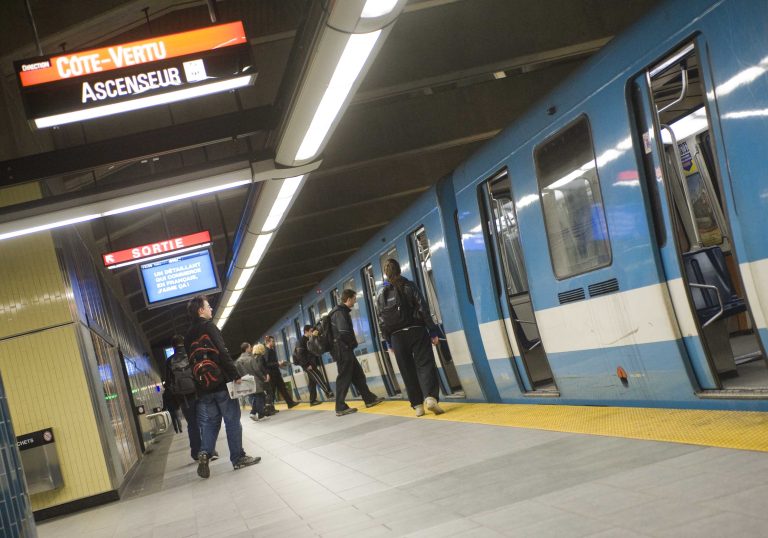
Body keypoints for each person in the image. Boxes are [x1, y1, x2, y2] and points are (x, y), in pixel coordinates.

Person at [185, 295, 260, 478]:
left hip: (204, 387)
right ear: (200, 310)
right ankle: (238, 458)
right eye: (208, 306)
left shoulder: (187, 336)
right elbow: (222, 352)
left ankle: (204, 453)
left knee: (211, 423)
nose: (211, 309)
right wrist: (235, 375)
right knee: (232, 420)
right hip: (221, 383)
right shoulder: (209, 327)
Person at [376, 259, 444, 416]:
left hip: (396, 337)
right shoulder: (409, 285)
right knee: (425, 364)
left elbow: (381, 320)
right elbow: (423, 308)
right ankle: (430, 398)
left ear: (386, 274)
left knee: (407, 370)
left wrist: (388, 341)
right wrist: (433, 331)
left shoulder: (381, 294)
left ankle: (417, 406)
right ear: (399, 270)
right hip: (416, 331)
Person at [330, 289, 384, 416]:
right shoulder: (339, 312)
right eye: (354, 299)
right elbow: (343, 331)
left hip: (345, 349)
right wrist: (352, 343)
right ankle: (340, 407)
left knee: (358, 375)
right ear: (348, 299)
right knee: (343, 378)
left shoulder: (341, 311)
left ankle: (369, 399)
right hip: (343, 350)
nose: (355, 301)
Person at [294, 325, 333, 405]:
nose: (312, 332)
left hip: (311, 363)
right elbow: (300, 355)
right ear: (306, 331)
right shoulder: (301, 341)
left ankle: (312, 400)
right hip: (307, 364)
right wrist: (307, 364)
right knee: (318, 376)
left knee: (312, 382)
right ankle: (328, 392)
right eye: (311, 331)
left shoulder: (310, 339)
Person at [235, 342, 270, 420]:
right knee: (259, 396)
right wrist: (263, 378)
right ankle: (255, 413)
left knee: (255, 397)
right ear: (246, 349)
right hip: (255, 380)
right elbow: (256, 370)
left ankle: (257, 413)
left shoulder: (238, 361)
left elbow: (237, 373)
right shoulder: (250, 358)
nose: (251, 349)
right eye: (250, 347)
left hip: (245, 381)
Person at [264, 335, 299, 409]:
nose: (274, 343)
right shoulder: (266, 351)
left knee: (283, 388)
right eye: (272, 341)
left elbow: (272, 362)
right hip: (272, 375)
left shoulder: (272, 350)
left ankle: (290, 403)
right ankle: (270, 408)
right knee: (272, 392)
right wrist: (277, 363)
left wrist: (279, 363)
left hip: (276, 373)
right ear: (268, 342)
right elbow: (266, 364)